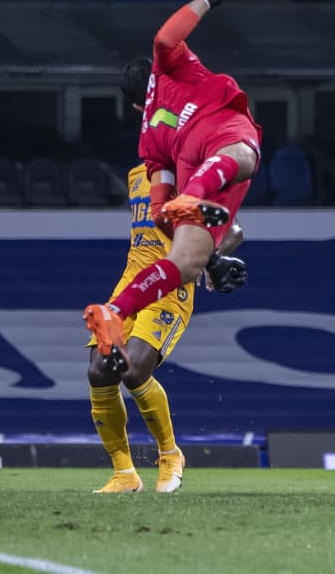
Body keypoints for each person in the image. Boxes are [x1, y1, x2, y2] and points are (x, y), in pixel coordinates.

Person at [84, 0, 261, 365]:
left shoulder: (147, 138)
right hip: (215, 135)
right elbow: (165, 39)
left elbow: (163, 214)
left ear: (132, 104)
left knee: (184, 261)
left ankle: (116, 311)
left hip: (183, 162)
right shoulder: (169, 72)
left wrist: (213, 262)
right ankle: (196, 195)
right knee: (245, 157)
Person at [88, 162, 247, 494]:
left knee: (132, 370)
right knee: (100, 370)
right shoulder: (135, 175)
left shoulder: (191, 173)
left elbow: (233, 231)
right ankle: (124, 474)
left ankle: (170, 455)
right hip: (130, 283)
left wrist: (210, 259)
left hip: (170, 288)